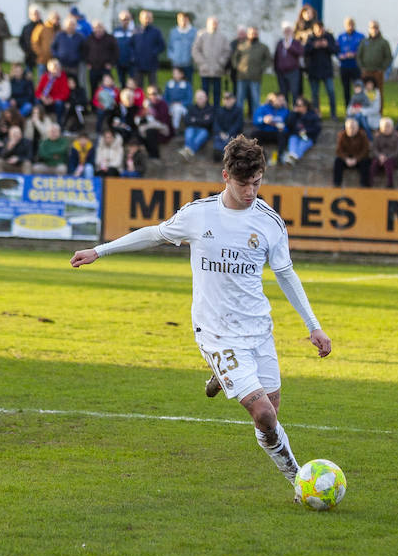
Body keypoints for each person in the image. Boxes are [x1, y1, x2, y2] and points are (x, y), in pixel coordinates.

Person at [69, 135, 331, 498]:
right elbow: (154, 234)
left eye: (257, 182)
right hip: (215, 332)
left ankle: (222, 377)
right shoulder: (199, 214)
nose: (251, 191)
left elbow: (286, 274)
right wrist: (100, 250)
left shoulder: (270, 223)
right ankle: (300, 480)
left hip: (258, 330)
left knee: (272, 412)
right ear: (226, 176)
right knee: (264, 416)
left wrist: (313, 326)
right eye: (243, 184)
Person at [231, 27, 272, 121]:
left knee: (255, 99)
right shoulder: (242, 45)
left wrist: (261, 68)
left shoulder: (263, 47)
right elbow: (235, 57)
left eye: (255, 33)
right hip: (242, 77)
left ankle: (256, 119)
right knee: (240, 99)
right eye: (251, 33)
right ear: (248, 34)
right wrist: (237, 66)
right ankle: (239, 119)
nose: (253, 35)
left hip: (255, 77)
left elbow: (268, 60)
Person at [305, 20, 338, 120]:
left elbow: (336, 50)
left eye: (321, 28)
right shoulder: (310, 39)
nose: (319, 31)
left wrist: (327, 45)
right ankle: (316, 114)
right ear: (314, 30)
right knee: (315, 94)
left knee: (331, 92)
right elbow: (305, 51)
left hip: (326, 71)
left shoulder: (329, 37)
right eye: (317, 29)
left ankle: (333, 114)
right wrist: (314, 46)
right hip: (314, 71)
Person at [332, 117, 371, 187]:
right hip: (347, 158)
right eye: (349, 128)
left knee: (366, 162)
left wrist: (356, 159)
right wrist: (346, 159)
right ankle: (337, 184)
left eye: (353, 128)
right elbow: (339, 150)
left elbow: (366, 150)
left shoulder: (363, 135)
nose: (351, 130)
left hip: (359, 158)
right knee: (337, 161)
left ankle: (364, 185)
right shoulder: (342, 135)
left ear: (357, 128)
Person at [131, 11, 165, 88]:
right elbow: (131, 45)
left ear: (152, 19)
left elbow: (161, 46)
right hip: (138, 64)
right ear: (140, 19)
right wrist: (133, 56)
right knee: (138, 86)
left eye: (149, 18)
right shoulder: (135, 31)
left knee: (153, 86)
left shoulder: (156, 32)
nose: (147, 20)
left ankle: (153, 99)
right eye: (145, 18)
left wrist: (153, 53)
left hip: (152, 63)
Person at [370, 116, 398, 188]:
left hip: (393, 158)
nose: (386, 129)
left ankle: (390, 184)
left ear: (392, 127)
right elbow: (374, 149)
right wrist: (379, 156)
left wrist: (387, 157)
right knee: (374, 164)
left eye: (388, 126)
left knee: (388, 163)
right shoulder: (377, 136)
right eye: (384, 127)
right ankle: (370, 183)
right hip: (380, 158)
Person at [168, 12, 197, 86]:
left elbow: (196, 47)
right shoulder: (173, 32)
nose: (182, 21)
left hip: (188, 63)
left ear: (188, 20)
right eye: (180, 19)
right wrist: (173, 57)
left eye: (184, 19)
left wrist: (192, 58)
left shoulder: (194, 32)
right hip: (176, 63)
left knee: (188, 83)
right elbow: (170, 46)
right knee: (175, 84)